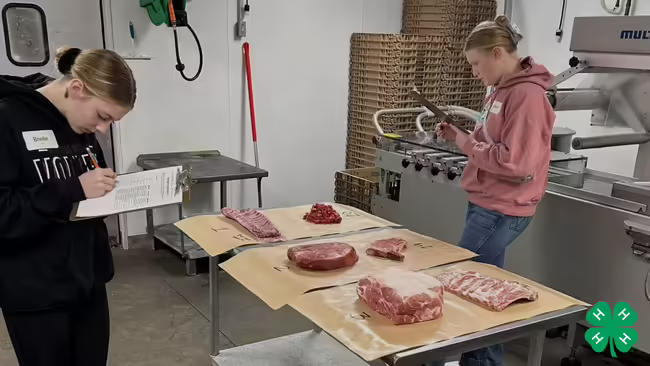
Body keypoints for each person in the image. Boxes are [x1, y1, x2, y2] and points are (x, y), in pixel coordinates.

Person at [428, 15, 555, 366]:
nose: (473, 72)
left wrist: (467, 144)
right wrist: (458, 136)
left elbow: (516, 163)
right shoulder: (502, 89)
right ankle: (484, 362)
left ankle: (458, 359)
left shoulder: (527, 96)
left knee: (462, 285)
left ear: (498, 53)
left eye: (476, 63)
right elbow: (492, 140)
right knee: (484, 292)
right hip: (486, 203)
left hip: (502, 209)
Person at [0, 47, 136, 366]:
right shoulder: (7, 119)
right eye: (103, 117)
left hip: (87, 281)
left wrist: (107, 194)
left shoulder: (81, 125)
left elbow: (88, 185)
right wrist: (73, 189)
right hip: (36, 293)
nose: (103, 130)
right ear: (77, 89)